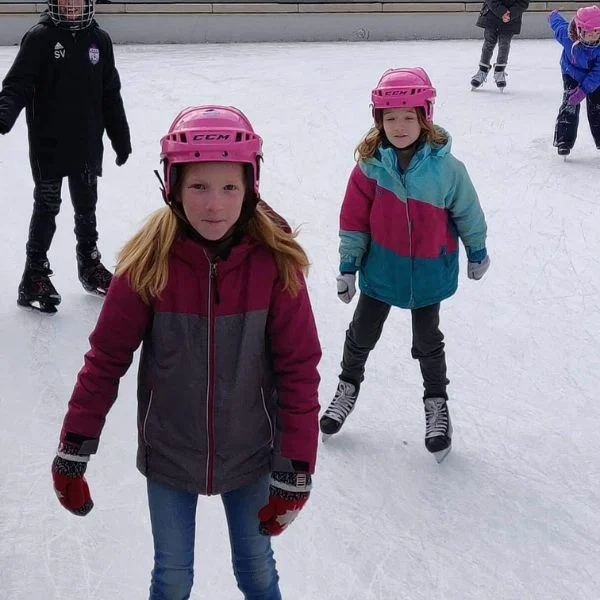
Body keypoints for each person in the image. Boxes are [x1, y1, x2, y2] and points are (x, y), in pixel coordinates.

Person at [50, 105, 321, 600]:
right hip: (171, 452)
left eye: (229, 187)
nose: (214, 205)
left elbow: (299, 370)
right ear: (171, 187)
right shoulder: (148, 262)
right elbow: (106, 359)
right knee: (172, 576)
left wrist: (296, 469)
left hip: (251, 452)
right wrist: (74, 448)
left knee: (256, 569)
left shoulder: (275, 267)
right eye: (198, 187)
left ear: (250, 187)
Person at [320, 68, 489, 463]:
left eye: (408, 117)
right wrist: (348, 266)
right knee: (361, 333)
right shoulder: (369, 167)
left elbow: (468, 211)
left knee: (427, 341)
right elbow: (354, 221)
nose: (399, 126)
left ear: (424, 116)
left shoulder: (448, 169)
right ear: (378, 120)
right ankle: (347, 386)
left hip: (430, 270)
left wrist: (477, 249)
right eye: (389, 117)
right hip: (381, 271)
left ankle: (436, 403)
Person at [0, 0, 131, 313]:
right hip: (50, 144)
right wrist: (4, 114)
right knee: (48, 206)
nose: (71, 5)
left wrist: (120, 137)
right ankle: (34, 274)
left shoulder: (99, 41)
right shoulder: (40, 38)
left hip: (87, 143)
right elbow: (17, 84)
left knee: (87, 206)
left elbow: (110, 93)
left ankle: (89, 265)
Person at [549, 6, 600, 157]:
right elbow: (557, 25)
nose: (594, 37)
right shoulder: (567, 36)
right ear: (579, 30)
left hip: (594, 76)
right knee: (570, 103)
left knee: (597, 107)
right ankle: (564, 141)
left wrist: (584, 90)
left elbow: (598, 73)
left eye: (597, 33)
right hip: (571, 72)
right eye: (589, 33)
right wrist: (553, 15)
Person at [470, 0, 530, 90]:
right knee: (489, 42)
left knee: (504, 44)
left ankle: (499, 71)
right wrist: (502, 12)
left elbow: (523, 3)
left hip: (510, 20)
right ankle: (482, 70)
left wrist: (510, 14)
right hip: (492, 15)